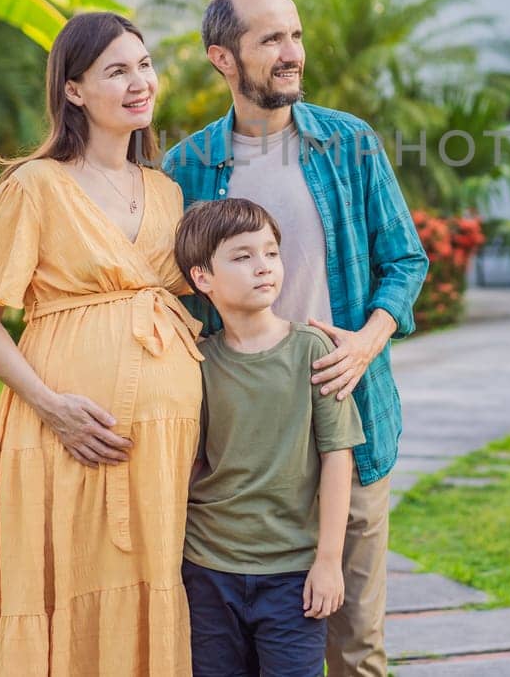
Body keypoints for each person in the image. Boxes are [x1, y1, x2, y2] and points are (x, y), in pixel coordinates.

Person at [163, 0, 429, 676]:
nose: (292, 52)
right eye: (270, 38)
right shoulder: (185, 166)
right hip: (239, 447)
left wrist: (367, 341)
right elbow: (166, 296)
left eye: (297, 34)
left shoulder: (351, 143)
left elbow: (404, 258)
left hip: (348, 424)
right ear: (223, 57)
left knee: (357, 647)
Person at [0, 12, 202, 676]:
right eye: (116, 71)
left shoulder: (168, 190)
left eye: (144, 64)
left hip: (162, 443)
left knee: (152, 582)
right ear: (73, 90)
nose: (139, 82)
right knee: (66, 586)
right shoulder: (35, 185)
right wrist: (52, 405)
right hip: (63, 429)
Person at [173, 198, 364, 677]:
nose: (264, 268)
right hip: (208, 567)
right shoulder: (196, 362)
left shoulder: (312, 350)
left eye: (271, 253)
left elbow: (337, 459)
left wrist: (328, 561)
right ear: (202, 278)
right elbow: (188, 461)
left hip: (293, 574)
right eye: (242, 257)